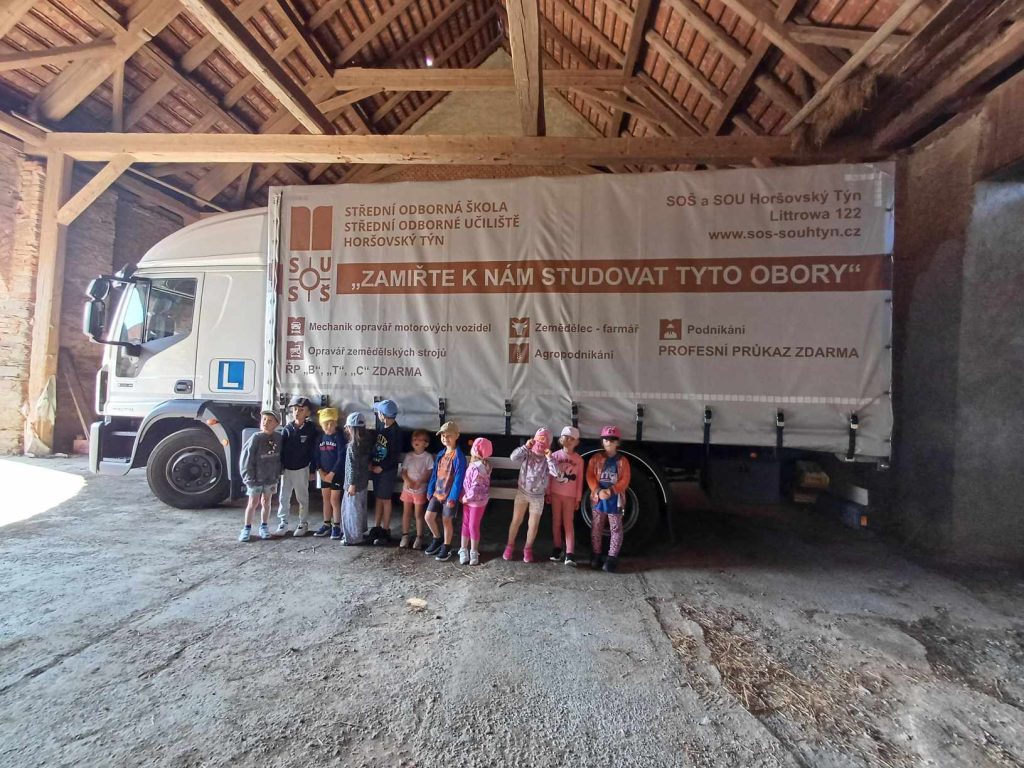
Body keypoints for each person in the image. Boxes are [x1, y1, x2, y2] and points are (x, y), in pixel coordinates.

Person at [504, 427, 558, 563]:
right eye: (538, 438)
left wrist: (549, 457)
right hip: (522, 492)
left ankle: (528, 548)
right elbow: (513, 457)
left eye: (544, 439)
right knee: (516, 520)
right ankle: (509, 545)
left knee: (533, 524)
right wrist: (525, 447)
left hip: (538, 497)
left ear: (549, 443)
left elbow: (556, 473)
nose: (540, 442)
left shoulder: (548, 458)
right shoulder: (527, 453)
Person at [586, 426, 632, 573]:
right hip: (598, 498)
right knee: (597, 526)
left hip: (615, 499)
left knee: (616, 528)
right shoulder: (595, 459)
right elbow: (590, 476)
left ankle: (612, 557)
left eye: (612, 440)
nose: (609, 442)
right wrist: (598, 490)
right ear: (602, 442)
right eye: (606, 439)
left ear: (617, 442)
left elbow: (625, 480)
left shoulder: (623, 461)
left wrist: (612, 490)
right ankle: (596, 554)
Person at [276, 395, 319, 537]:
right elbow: (281, 450)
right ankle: (283, 521)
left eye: (301, 410)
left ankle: (303, 522)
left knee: (302, 497)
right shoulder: (287, 429)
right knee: (284, 496)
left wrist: (312, 470)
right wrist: (280, 467)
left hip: (302, 468)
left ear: (308, 412)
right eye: (295, 409)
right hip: (287, 469)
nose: (297, 412)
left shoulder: (311, 429)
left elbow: (314, 451)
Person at [424, 421, 466, 562]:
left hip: (449, 496)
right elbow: (434, 474)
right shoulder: (441, 454)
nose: (445, 438)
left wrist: (453, 497)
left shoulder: (458, 456)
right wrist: (430, 489)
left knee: (446, 520)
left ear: (457, 436)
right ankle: (437, 538)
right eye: (443, 436)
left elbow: (459, 479)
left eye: (449, 436)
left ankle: (447, 546)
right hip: (437, 493)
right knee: (428, 517)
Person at [238, 410, 283, 542]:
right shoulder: (256, 438)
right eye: (264, 419)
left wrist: (278, 472)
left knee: (266, 502)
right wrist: (248, 477)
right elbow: (247, 459)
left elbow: (280, 456)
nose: (266, 423)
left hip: (270, 477)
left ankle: (264, 526)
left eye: (270, 421)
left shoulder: (278, 438)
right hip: (256, 478)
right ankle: (246, 528)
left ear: (276, 424)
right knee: (253, 502)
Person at [548, 426, 585, 566]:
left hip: (570, 496)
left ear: (577, 442)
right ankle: (557, 548)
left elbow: (580, 480)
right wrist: (548, 492)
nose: (569, 441)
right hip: (555, 494)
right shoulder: (555, 456)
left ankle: (570, 552)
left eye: (572, 439)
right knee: (556, 521)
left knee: (568, 523)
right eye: (566, 437)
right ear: (561, 439)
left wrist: (578, 498)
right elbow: (549, 475)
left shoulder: (579, 460)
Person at [369, 399, 401, 545]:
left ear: (383, 415)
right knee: (378, 497)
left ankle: (386, 529)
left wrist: (382, 467)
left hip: (387, 471)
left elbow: (395, 455)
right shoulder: (383, 427)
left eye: (378, 412)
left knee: (386, 499)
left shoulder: (395, 432)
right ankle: (377, 527)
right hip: (377, 468)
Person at [312, 407, 346, 540]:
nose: (329, 426)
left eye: (332, 423)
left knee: (334, 500)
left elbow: (341, 457)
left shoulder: (339, 437)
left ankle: (337, 526)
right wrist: (320, 471)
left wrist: (332, 473)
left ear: (336, 423)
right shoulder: (320, 438)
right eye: (326, 423)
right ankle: (327, 524)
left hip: (335, 475)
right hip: (323, 474)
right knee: (326, 499)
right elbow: (316, 455)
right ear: (321, 424)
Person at [340, 411, 373, 545]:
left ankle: (353, 538)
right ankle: (360, 531)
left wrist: (351, 484)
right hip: (363, 482)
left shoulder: (352, 446)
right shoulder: (365, 443)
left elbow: (353, 467)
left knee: (351, 510)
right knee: (360, 508)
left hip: (353, 484)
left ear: (350, 428)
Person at [459, 437, 492, 566]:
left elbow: (475, 486)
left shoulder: (478, 467)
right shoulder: (482, 465)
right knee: (467, 524)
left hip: (474, 501)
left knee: (471, 525)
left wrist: (466, 497)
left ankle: (473, 551)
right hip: (474, 500)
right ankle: (464, 549)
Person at [399, 429, 433, 549]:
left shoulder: (428, 457)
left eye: (419, 439)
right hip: (407, 489)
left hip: (420, 490)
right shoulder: (409, 456)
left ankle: (419, 537)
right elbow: (403, 472)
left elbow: (429, 472)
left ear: (426, 444)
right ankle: (405, 535)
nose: (416, 441)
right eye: (414, 439)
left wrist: (420, 482)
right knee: (406, 513)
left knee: (418, 514)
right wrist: (407, 481)